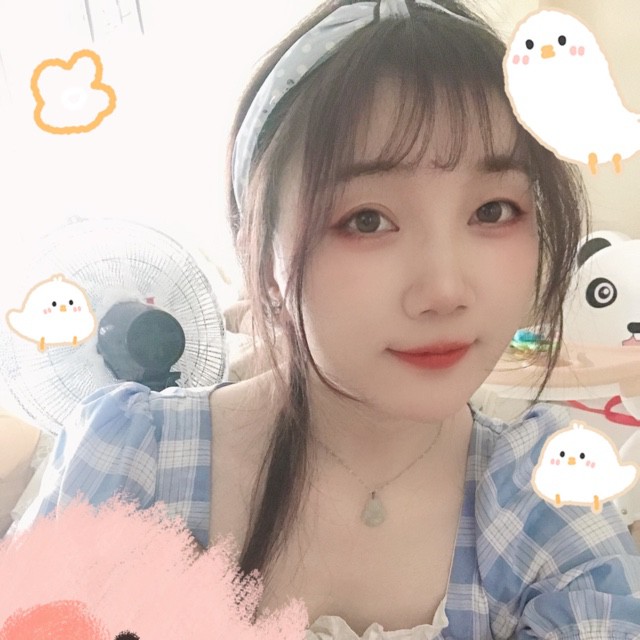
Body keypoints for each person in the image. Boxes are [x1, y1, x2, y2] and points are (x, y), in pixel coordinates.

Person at [15, 0, 640, 637]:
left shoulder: (546, 509)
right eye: (367, 220)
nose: (445, 290)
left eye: (493, 211)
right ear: (260, 249)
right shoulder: (129, 467)